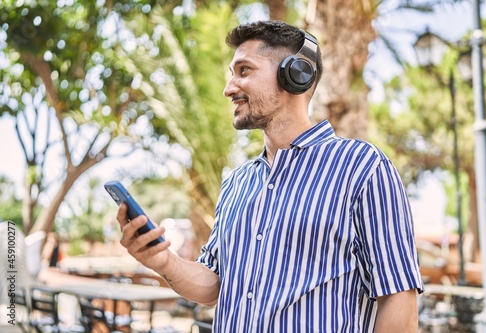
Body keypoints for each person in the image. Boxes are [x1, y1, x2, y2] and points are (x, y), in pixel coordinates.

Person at [118, 20, 424, 332]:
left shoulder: (362, 167)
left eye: (244, 70)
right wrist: (162, 261)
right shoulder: (237, 182)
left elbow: (398, 296)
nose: (229, 88)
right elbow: (213, 284)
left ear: (295, 75)